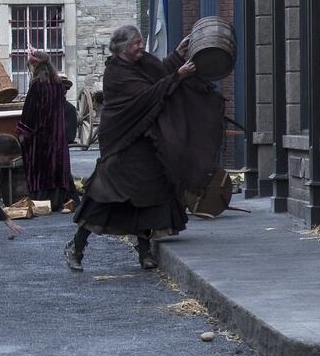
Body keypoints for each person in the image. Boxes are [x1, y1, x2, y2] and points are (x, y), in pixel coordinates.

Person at [64, 25, 224, 272]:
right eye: (136, 43)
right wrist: (178, 76)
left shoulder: (142, 61)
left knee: (148, 194)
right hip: (122, 143)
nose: (141, 46)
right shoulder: (116, 74)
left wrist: (176, 57)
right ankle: (76, 248)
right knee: (102, 197)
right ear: (123, 48)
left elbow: (158, 75)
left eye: (140, 41)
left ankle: (145, 252)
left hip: (145, 139)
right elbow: (147, 95)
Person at [16, 50, 78, 207]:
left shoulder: (37, 84)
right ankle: (59, 201)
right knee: (56, 167)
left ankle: (42, 201)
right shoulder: (57, 83)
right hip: (57, 136)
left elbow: (30, 111)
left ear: (34, 65)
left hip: (40, 137)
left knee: (41, 168)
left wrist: (23, 132)